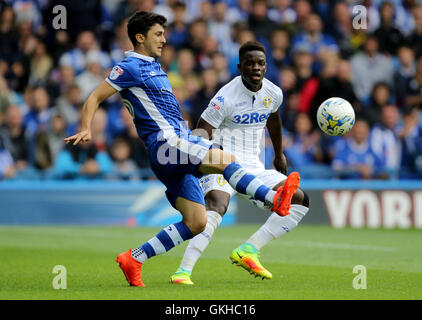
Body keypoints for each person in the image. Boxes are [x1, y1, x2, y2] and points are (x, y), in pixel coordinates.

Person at [64, 11, 300, 287]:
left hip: (171, 149)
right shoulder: (130, 67)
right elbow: (94, 96)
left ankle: (134, 258)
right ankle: (274, 199)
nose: (164, 39)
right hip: (169, 142)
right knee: (225, 158)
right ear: (140, 38)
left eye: (163, 34)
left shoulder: (153, 65)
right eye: (158, 34)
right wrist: (86, 127)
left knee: (197, 222)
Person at [170, 41, 310, 285]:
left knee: (299, 198)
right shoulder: (224, 97)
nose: (256, 67)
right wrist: (204, 164)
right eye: (250, 63)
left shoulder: (273, 92)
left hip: (254, 166)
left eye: (260, 63)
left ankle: (249, 250)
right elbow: (201, 134)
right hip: (223, 165)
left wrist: (279, 154)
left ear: (266, 67)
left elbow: (274, 120)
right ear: (240, 67)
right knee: (216, 205)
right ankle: (183, 272)